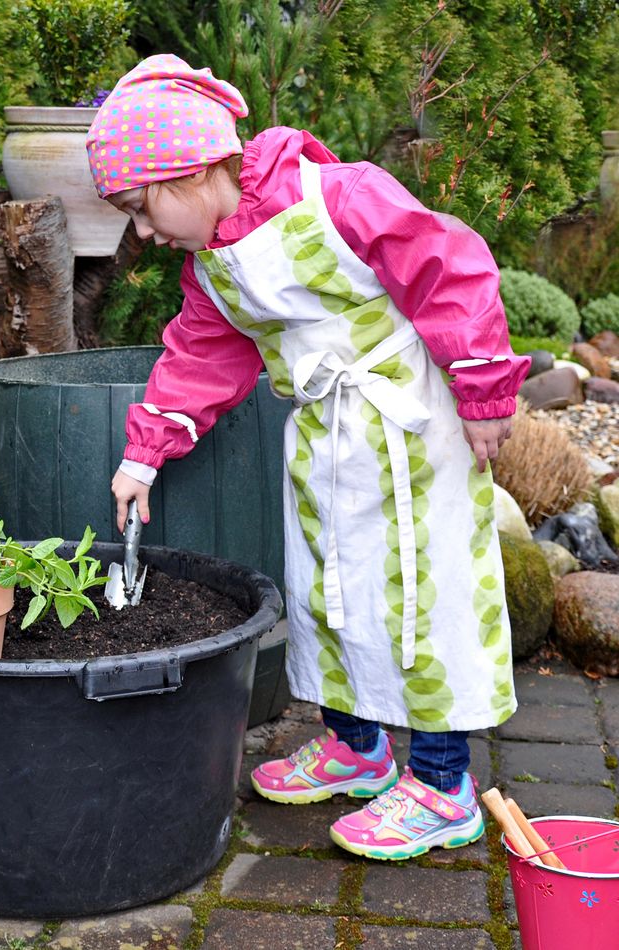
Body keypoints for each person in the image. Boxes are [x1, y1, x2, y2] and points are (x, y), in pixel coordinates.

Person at [86, 54, 530, 861]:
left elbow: (448, 268)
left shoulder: (340, 195)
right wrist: (144, 454)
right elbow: (201, 359)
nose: (143, 233)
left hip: (412, 427)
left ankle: (441, 786)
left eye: (141, 208)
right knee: (331, 589)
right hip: (327, 432)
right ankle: (357, 746)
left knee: (423, 598)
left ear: (190, 171)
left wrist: (485, 393)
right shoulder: (212, 266)